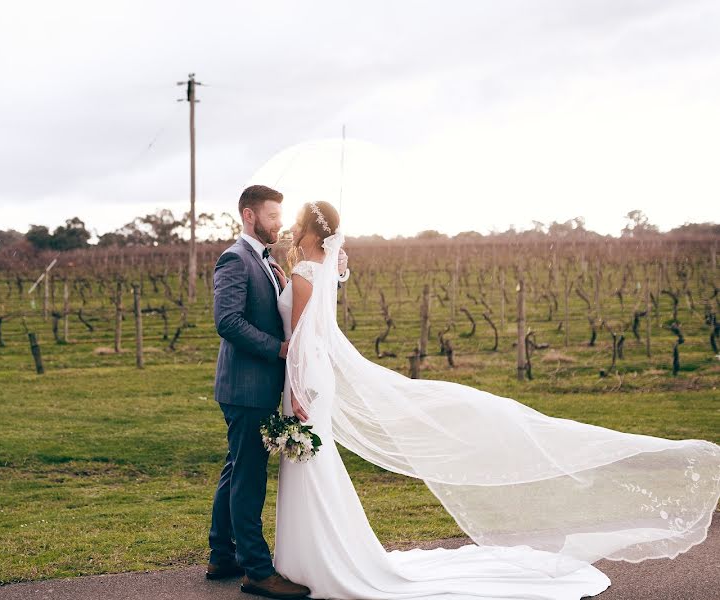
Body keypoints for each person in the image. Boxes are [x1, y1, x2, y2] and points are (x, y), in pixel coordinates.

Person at [271, 200, 720, 600]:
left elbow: (301, 338)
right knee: (312, 461)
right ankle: (309, 557)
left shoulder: (306, 273)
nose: (289, 229)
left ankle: (317, 560)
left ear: (308, 230)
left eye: (293, 223)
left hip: (305, 376)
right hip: (314, 373)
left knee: (310, 461)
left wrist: (292, 390)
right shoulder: (322, 269)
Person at [208, 185, 347, 599]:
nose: (280, 223)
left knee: (237, 468)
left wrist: (337, 271)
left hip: (262, 383)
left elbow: (310, 302)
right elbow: (228, 322)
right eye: (272, 215)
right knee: (248, 478)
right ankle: (256, 570)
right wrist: (280, 348)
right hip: (246, 385)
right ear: (249, 216)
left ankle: (222, 554)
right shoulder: (235, 259)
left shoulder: (270, 261)